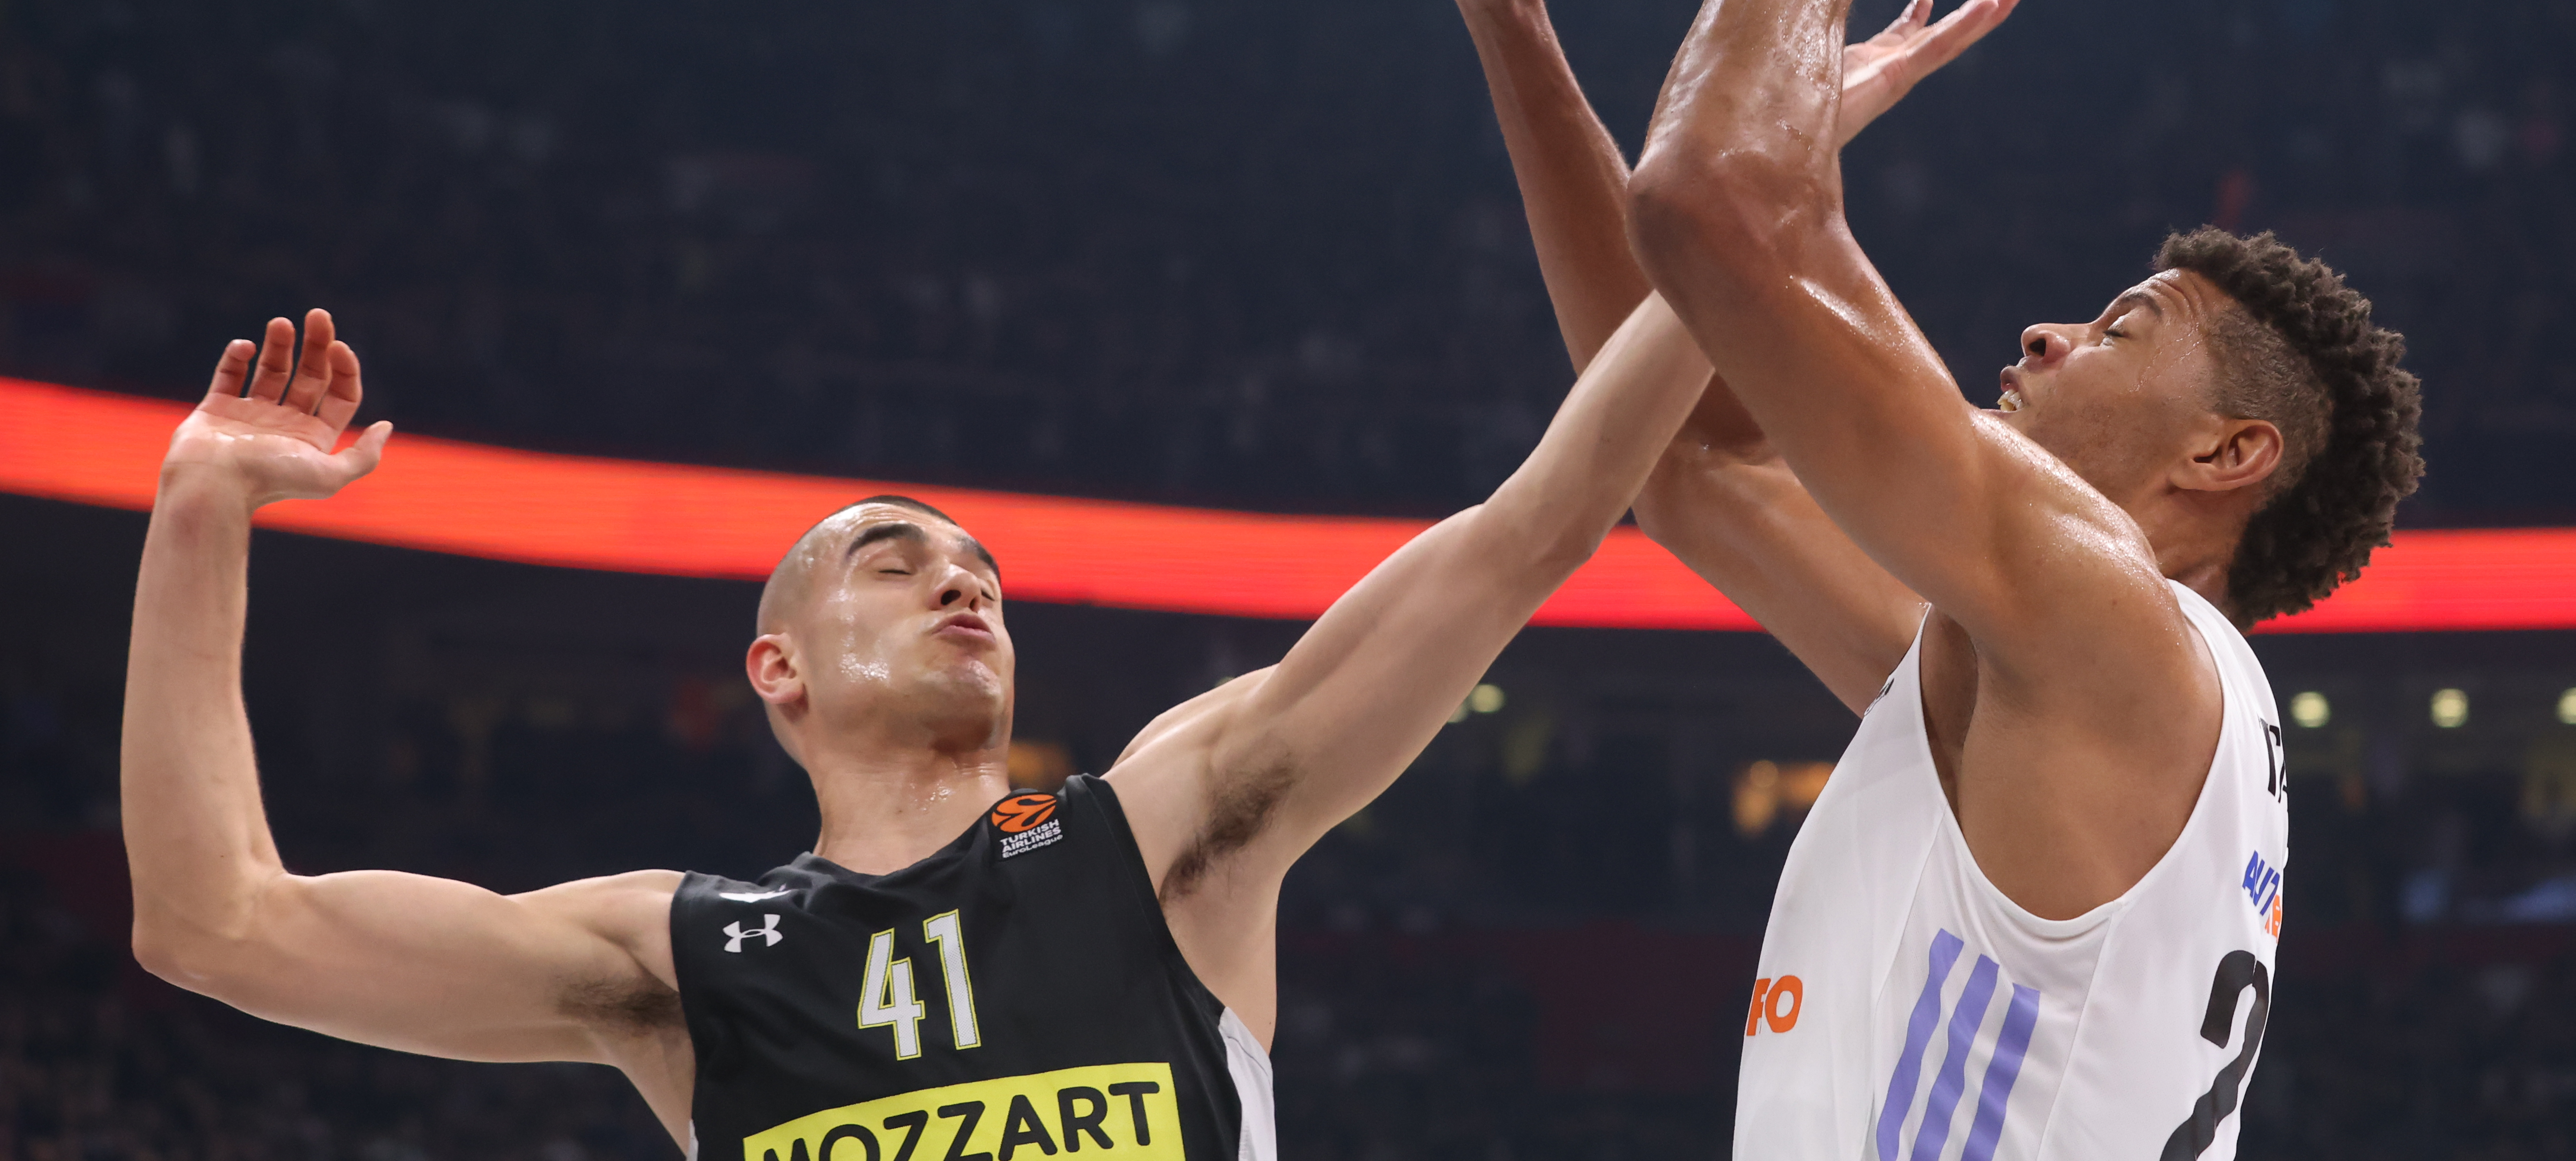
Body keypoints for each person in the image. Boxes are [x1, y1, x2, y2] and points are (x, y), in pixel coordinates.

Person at [1388, 0, 2423, 1160]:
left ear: (2232, 451)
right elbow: (1687, 463)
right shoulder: (2064, 674)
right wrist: (1507, 13)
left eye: (2120, 323)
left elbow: (1712, 203)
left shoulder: (2117, 637)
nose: (2042, 332)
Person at [121, 281, 1712, 1159]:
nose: (965, 590)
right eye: (898, 567)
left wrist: (1733, 230)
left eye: (985, 577)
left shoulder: (1149, 833)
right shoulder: (679, 961)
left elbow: (1532, 529)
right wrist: (202, 503)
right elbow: (222, 926)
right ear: (778, 670)